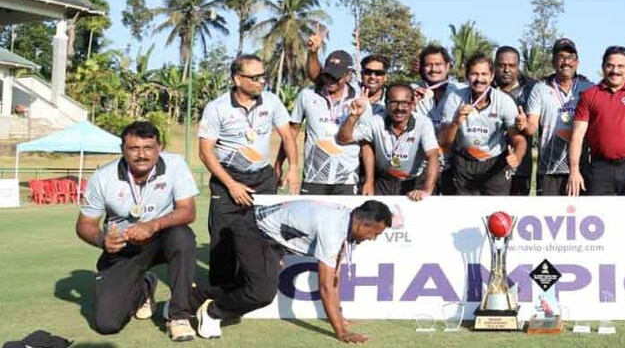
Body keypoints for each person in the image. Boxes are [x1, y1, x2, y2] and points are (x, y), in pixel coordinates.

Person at [195, 199, 392, 343]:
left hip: (271, 240)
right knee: (261, 292)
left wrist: (339, 314)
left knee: (251, 285)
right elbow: (325, 287)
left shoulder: (349, 227)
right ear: (363, 224)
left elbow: (334, 277)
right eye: (375, 233)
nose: (373, 238)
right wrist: (340, 331)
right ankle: (213, 312)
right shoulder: (334, 227)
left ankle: (189, 298)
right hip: (252, 229)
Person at [76, 121, 200, 341]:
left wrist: (153, 225)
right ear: (122, 149)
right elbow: (85, 224)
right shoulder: (102, 177)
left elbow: (188, 211)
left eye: (148, 147)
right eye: (134, 148)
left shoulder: (175, 165)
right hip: (124, 247)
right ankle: (144, 286)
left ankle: (179, 315)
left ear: (159, 147)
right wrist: (102, 240)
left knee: (183, 236)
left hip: (162, 237)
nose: (142, 155)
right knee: (107, 324)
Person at [198, 54, 299, 292]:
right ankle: (220, 296)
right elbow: (205, 152)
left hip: (262, 178)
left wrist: (293, 167)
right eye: (255, 77)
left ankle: (259, 288)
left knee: (265, 234)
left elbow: (287, 135)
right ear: (237, 79)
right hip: (227, 180)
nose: (261, 82)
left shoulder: (272, 102)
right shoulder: (217, 108)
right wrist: (231, 184)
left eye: (263, 76)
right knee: (223, 241)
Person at [567, 46, 625, 196]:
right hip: (599, 169)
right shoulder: (589, 95)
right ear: (603, 67)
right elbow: (577, 136)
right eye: (610, 65)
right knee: (598, 216)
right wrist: (574, 171)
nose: (615, 70)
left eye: (620, 66)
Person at [439, 53, 527, 195]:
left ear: (492, 76)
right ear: (467, 76)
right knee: (466, 215)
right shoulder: (455, 99)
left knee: (495, 213)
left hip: (495, 163)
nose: (479, 79)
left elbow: (519, 139)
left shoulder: (504, 101)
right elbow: (444, 142)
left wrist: (517, 156)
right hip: (464, 163)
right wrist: (455, 123)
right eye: (474, 74)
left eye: (484, 74)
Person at [337, 83, 442, 200]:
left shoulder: (423, 123)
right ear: (386, 104)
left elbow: (433, 155)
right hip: (383, 181)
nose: (399, 108)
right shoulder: (376, 121)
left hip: (414, 181)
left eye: (405, 103)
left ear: (412, 105)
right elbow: (344, 138)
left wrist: (426, 190)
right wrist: (353, 116)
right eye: (393, 102)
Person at [522, 38, 594, 195]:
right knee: (549, 215)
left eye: (570, 57)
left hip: (581, 166)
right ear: (553, 61)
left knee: (580, 215)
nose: (566, 62)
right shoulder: (540, 88)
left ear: (577, 62)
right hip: (549, 167)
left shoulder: (588, 88)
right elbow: (532, 125)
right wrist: (524, 125)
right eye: (561, 57)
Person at [291, 50, 363, 195]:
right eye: (327, 75)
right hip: (313, 178)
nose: (330, 81)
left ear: (348, 76)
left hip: (346, 180)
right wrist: (283, 165)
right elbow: (291, 132)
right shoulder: (307, 95)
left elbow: (367, 142)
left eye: (336, 77)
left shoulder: (360, 99)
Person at [413, 44, 465, 193]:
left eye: (438, 64)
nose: (434, 69)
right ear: (422, 68)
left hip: (454, 166)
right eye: (429, 65)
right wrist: (411, 104)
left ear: (448, 66)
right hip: (422, 167)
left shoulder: (461, 91)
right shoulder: (412, 91)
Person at [494, 46, 537, 196]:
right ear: (494, 65)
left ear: (518, 67)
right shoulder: (485, 87)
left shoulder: (532, 88)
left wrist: (525, 124)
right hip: (488, 166)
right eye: (501, 65)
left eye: (511, 66)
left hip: (520, 167)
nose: (506, 70)